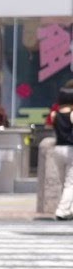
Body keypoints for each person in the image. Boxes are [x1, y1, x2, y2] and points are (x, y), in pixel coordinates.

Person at [50, 88, 73, 221]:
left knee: (64, 181)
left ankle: (69, 209)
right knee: (70, 183)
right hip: (70, 149)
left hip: (58, 149)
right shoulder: (71, 114)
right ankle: (62, 210)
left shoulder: (55, 114)